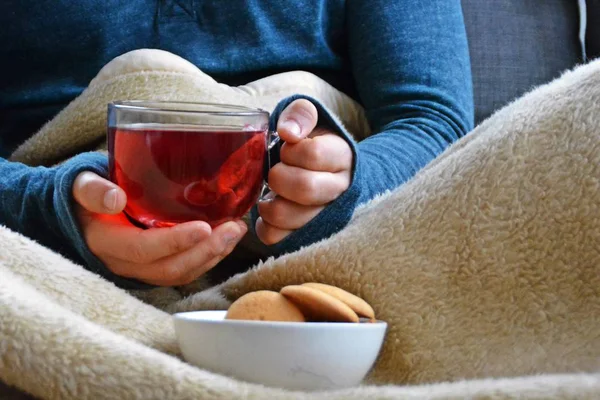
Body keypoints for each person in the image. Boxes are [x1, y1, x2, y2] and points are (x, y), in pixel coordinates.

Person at [0, 1, 473, 289]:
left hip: (334, 236)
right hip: (39, 240)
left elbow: (430, 121)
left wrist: (342, 181)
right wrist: (49, 206)